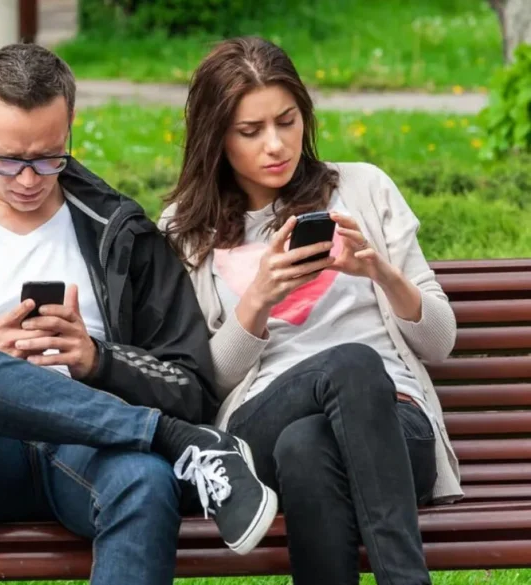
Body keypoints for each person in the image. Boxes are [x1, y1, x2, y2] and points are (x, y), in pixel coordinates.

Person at [0, 43, 279, 584]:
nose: (28, 179)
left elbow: (190, 385)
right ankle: (167, 437)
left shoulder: (122, 233)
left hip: (84, 452)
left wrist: (99, 361)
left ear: (71, 125)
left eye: (49, 157)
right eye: (7, 160)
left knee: (143, 482)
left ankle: (155, 440)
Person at [159, 36, 462, 585]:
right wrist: (257, 300)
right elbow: (202, 382)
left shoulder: (365, 189)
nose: (276, 145)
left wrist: (380, 273)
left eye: (288, 121)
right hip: (259, 429)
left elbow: (439, 342)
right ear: (215, 138)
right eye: (250, 132)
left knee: (308, 446)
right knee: (349, 364)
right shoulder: (186, 232)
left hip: (396, 430)